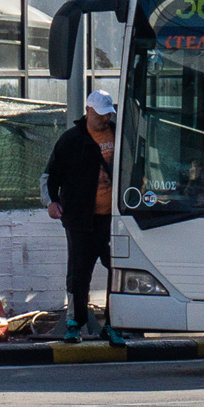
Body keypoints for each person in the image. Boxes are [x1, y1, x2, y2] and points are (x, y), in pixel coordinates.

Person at [41, 90, 126, 346]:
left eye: (107, 114)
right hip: (79, 219)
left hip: (113, 220)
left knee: (118, 272)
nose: (104, 119)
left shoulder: (121, 135)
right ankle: (74, 324)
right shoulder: (71, 140)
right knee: (79, 274)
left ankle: (114, 324)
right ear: (88, 111)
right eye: (100, 114)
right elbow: (50, 176)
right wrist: (51, 202)